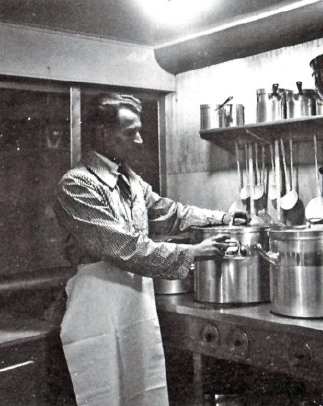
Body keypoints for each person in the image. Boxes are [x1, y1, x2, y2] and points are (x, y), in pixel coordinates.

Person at [54, 93, 248, 406]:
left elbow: (170, 213)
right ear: (103, 133)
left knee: (143, 388)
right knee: (103, 391)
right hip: (96, 305)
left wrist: (223, 218)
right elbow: (124, 247)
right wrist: (193, 252)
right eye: (131, 132)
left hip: (134, 300)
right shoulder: (76, 185)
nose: (140, 140)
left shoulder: (130, 181)